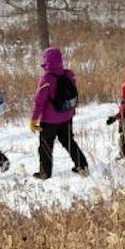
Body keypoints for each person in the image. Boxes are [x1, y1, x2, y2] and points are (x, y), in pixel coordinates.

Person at [30, 46, 88, 180]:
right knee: (69, 141)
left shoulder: (46, 79)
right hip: (66, 116)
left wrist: (34, 120)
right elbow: (72, 94)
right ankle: (82, 165)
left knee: (45, 146)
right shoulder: (69, 74)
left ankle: (45, 173)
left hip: (50, 121)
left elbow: (40, 102)